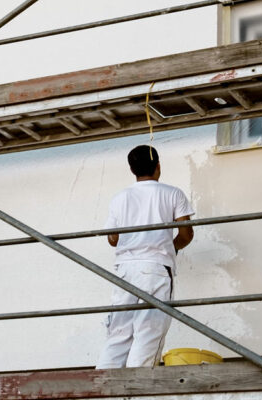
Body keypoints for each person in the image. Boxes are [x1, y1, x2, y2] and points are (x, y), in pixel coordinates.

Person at [97, 145, 195, 368]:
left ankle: (102, 386)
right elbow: (186, 233)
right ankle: (136, 390)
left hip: (124, 270)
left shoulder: (120, 197)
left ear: (132, 170)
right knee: (148, 332)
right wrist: (169, 247)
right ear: (158, 166)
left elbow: (112, 239)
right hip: (156, 268)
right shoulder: (173, 193)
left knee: (118, 332)